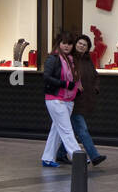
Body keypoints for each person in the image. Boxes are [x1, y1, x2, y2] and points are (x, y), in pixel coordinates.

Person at [55, 33, 107, 166]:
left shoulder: (88, 60)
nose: (81, 46)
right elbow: (66, 76)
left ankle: (60, 154)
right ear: (75, 44)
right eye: (79, 43)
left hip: (85, 100)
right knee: (82, 129)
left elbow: (95, 76)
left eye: (85, 45)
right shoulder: (70, 59)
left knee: (70, 129)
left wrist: (95, 88)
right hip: (72, 100)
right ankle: (94, 156)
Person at [42, 32, 81, 167]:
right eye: (64, 43)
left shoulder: (71, 60)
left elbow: (75, 78)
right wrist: (64, 84)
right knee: (66, 129)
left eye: (69, 44)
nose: (67, 46)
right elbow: (46, 77)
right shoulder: (53, 58)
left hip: (68, 99)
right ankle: (78, 156)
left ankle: (47, 158)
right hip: (55, 98)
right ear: (59, 43)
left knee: (57, 130)